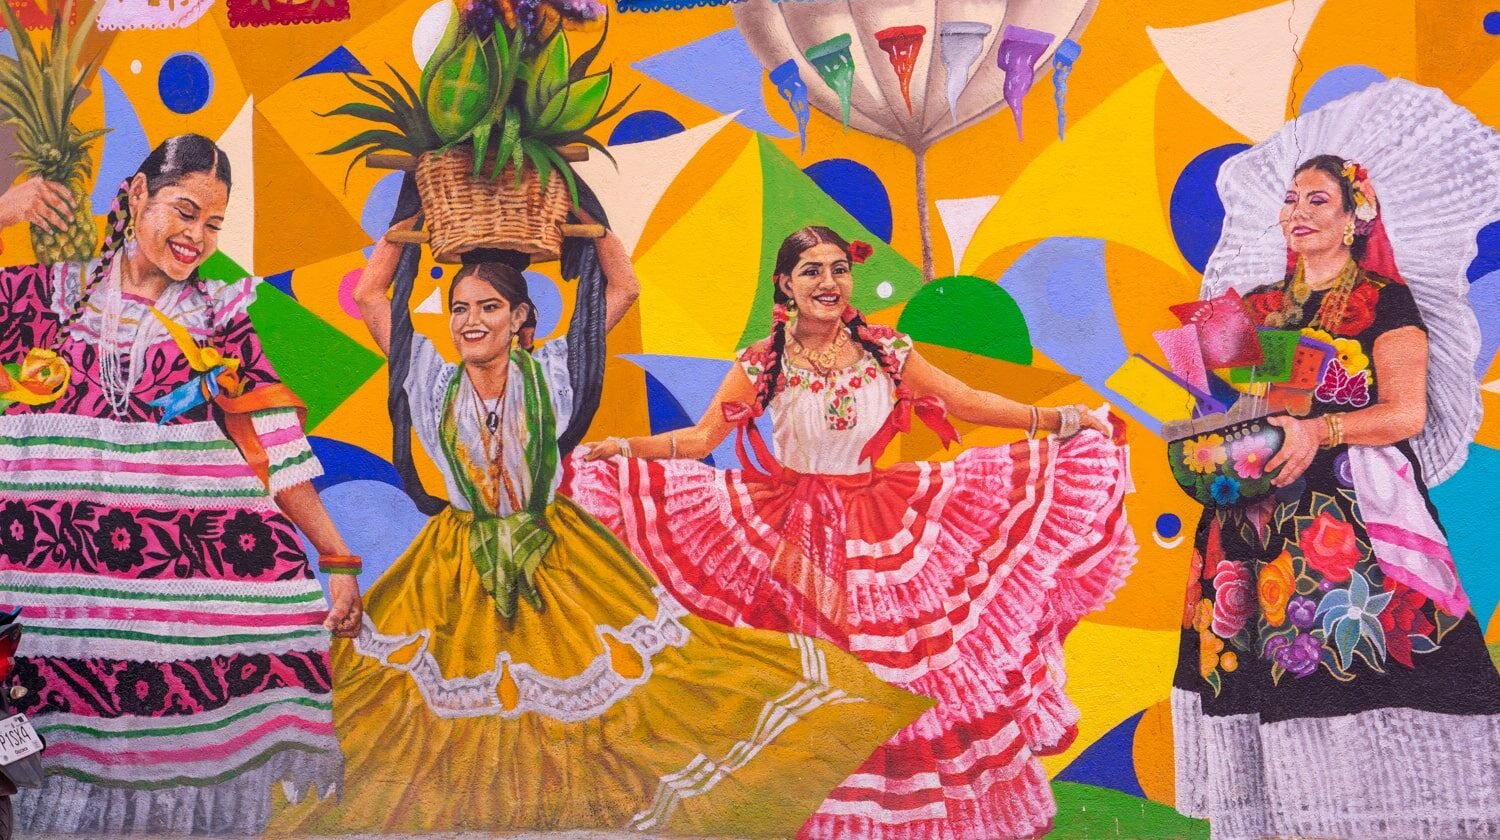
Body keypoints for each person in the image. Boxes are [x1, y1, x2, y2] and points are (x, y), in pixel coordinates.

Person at [271, 215, 929, 836]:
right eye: (460, 309)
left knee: (617, 700)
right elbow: (370, 296)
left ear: (520, 318)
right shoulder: (426, 375)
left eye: (489, 307)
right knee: (422, 716)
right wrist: (402, 232)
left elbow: (624, 288)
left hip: (557, 553)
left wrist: (594, 228)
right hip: (451, 562)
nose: (472, 321)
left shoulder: (558, 369)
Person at [568, 226, 1138, 840]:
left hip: (880, 530)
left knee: (892, 680)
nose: (829, 283)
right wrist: (626, 448)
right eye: (811, 271)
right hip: (790, 534)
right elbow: (703, 439)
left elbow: (965, 400)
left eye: (839, 269)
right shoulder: (763, 359)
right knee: (811, 681)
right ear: (785, 285)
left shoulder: (886, 350)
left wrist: (1060, 418)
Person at [0, 134, 361, 835]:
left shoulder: (219, 315)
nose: (197, 237)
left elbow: (277, 445)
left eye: (213, 224)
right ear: (137, 194)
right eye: (185, 212)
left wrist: (337, 556)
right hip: (55, 605)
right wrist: (7, 212)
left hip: (173, 609)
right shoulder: (44, 297)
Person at [1174, 153, 1500, 838]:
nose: (1298, 212)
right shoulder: (1256, 306)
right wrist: (1209, 430)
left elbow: (1405, 414)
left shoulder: (1386, 302)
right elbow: (1223, 403)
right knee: (1261, 677)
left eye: (1318, 200)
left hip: (1349, 517)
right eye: (1291, 199)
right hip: (1254, 518)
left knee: (1368, 667)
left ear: (1355, 218)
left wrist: (1320, 428)